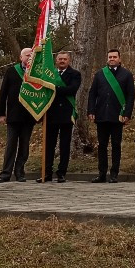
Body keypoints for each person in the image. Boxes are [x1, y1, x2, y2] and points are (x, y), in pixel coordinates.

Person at [87, 49, 135, 183]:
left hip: (117, 116)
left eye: (114, 57)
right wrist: (91, 110)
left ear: (119, 59)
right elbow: (92, 94)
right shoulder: (100, 74)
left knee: (116, 145)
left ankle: (114, 174)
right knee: (102, 145)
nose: (112, 59)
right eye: (110, 57)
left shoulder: (126, 75)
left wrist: (127, 114)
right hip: (101, 115)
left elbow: (130, 96)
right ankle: (102, 173)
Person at [0, 48, 36, 182]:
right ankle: (5, 173)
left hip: (29, 115)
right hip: (13, 115)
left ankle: (20, 172)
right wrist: (0, 113)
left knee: (24, 145)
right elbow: (3, 93)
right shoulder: (12, 71)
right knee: (11, 145)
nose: (29, 57)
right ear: (21, 57)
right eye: (27, 55)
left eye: (31, 55)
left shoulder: (36, 73)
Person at [43, 51, 81, 183]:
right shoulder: (49, 74)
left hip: (66, 114)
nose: (62, 61)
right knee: (49, 145)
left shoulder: (75, 74)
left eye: (65, 59)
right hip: (51, 114)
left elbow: (72, 89)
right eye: (60, 59)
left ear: (69, 60)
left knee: (65, 145)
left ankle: (61, 173)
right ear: (56, 60)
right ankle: (46, 173)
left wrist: (54, 88)